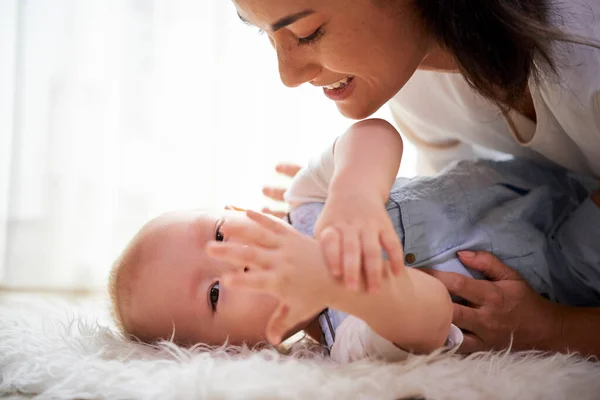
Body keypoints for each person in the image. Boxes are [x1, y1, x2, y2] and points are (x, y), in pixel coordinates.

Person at [234, 0, 600, 354]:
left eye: (307, 32)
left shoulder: (587, 55)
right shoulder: (413, 87)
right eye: (267, 35)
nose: (287, 76)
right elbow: (429, 306)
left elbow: (369, 143)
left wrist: (351, 188)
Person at [109, 120, 599, 360]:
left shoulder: (308, 199)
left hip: (537, 174)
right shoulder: (350, 342)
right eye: (215, 293)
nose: (235, 262)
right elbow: (430, 313)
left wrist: (356, 193)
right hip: (568, 268)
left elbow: (373, 133)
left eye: (219, 234)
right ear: (245, 351)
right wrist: (333, 284)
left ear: (243, 211)